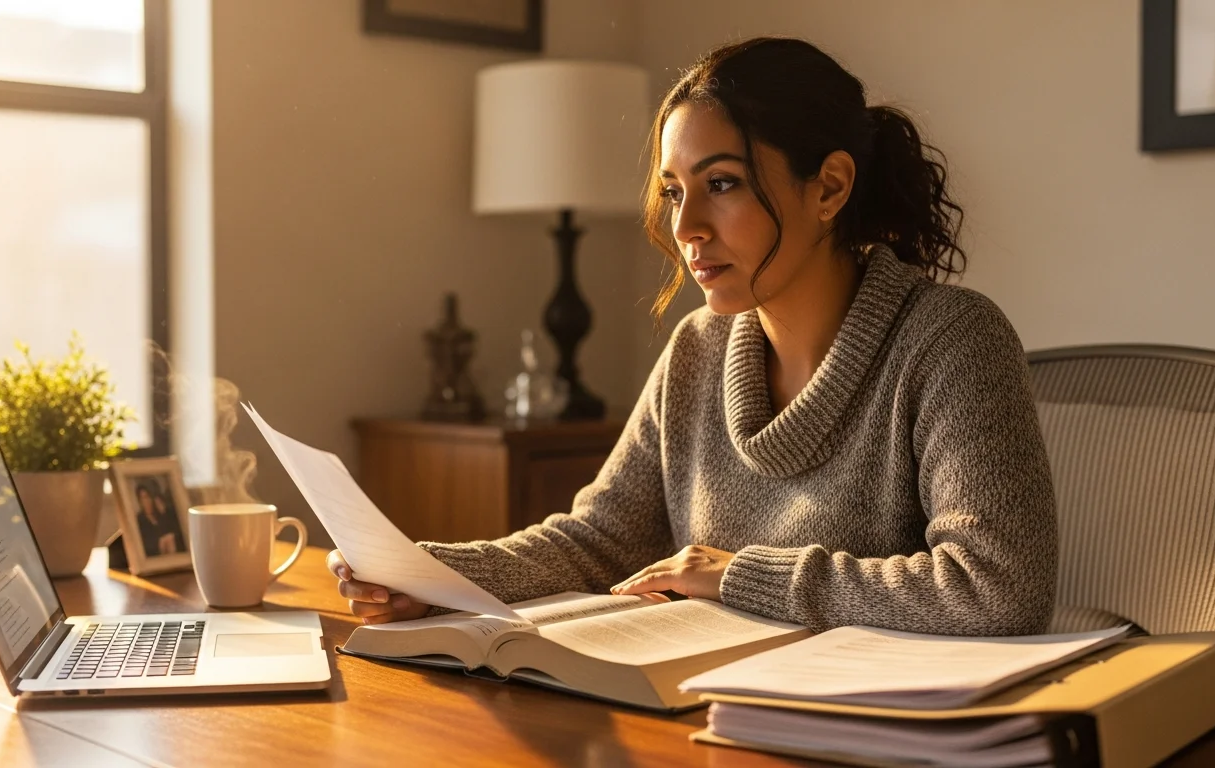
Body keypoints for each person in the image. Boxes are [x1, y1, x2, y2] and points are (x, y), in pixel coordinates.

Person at [331, 37, 1058, 636]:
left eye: (722, 184)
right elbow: (600, 540)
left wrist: (737, 575)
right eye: (675, 192)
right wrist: (429, 573)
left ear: (831, 187)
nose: (685, 231)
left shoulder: (952, 340)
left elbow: (995, 588)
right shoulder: (698, 348)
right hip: (702, 712)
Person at [135, 480, 186, 557]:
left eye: (149, 497)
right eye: (143, 498)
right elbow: (146, 547)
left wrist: (163, 514)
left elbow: (180, 535)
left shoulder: (168, 514)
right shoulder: (139, 520)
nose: (147, 502)